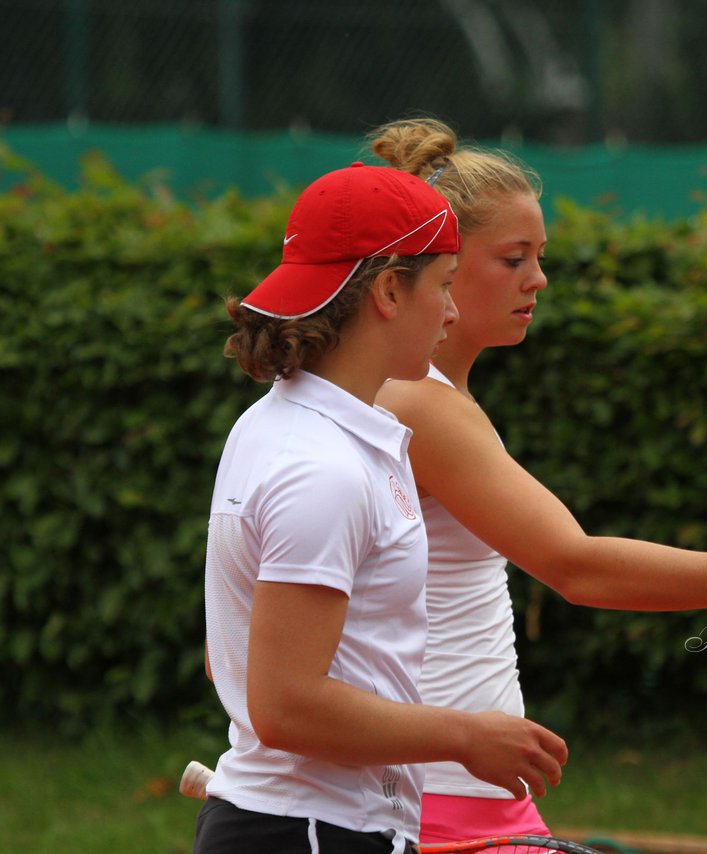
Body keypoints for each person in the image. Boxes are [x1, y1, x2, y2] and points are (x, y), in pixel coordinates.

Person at [368, 118, 707, 845]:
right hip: (440, 798)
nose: (538, 279)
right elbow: (577, 564)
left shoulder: (427, 396)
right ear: (441, 262)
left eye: (539, 256)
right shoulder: (422, 404)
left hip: (445, 790)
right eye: (514, 258)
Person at [195, 162, 568, 854]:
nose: (453, 312)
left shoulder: (301, 431)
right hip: (308, 831)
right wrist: (464, 735)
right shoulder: (323, 467)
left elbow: (243, 660)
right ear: (390, 291)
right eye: (446, 286)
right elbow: (285, 706)